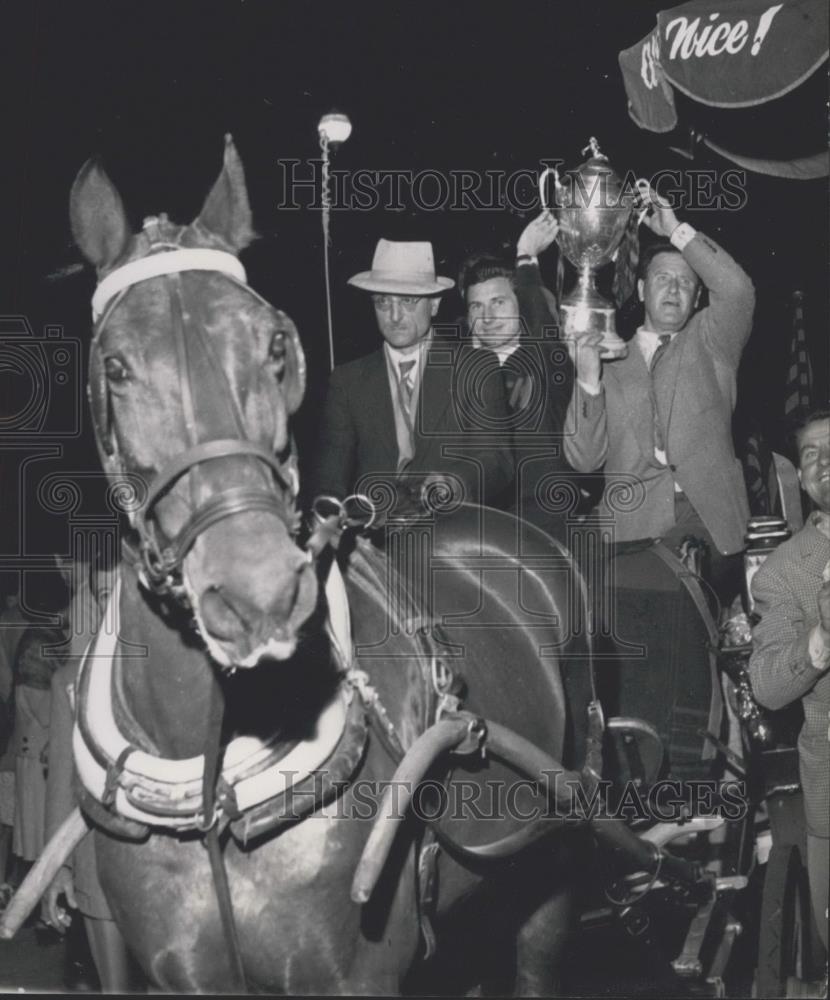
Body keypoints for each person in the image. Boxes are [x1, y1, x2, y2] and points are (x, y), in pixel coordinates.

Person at [565, 189, 755, 606]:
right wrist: (588, 379)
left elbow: (738, 290)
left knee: (685, 616)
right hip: (631, 529)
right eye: (663, 279)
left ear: (698, 297)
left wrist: (674, 229)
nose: (674, 289)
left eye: (686, 282)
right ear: (640, 287)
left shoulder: (712, 340)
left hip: (710, 521)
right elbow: (583, 459)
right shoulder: (609, 354)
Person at [311, 239, 514, 517]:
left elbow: (496, 462)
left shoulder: (476, 368)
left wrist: (453, 484)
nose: (394, 316)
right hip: (373, 544)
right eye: (383, 302)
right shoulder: (347, 381)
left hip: (452, 537)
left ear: (433, 305)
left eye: (407, 301)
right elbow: (329, 482)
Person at [749, 409, 830, 953]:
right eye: (811, 454)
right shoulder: (784, 571)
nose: (826, 461)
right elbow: (768, 686)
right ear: (802, 479)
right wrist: (821, 638)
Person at [460, 212, 575, 540]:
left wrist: (526, 257)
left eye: (498, 302)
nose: (487, 316)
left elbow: (542, 330)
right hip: (477, 535)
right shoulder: (461, 373)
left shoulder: (545, 362)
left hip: (543, 534)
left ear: (521, 304)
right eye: (476, 307)